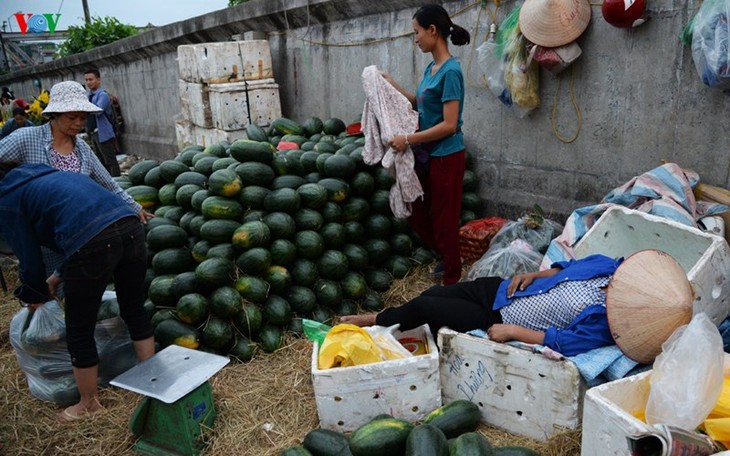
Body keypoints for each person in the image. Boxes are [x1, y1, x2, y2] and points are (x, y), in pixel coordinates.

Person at [0, 162, 155, 421]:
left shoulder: (7, 200)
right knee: (133, 307)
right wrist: (60, 273)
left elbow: (30, 259)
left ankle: (88, 404)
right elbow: (81, 227)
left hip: (96, 241)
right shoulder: (44, 175)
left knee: (78, 327)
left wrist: (33, 294)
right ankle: (152, 382)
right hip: (130, 226)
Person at [0, 80, 152, 280]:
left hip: (77, 234)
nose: (79, 123)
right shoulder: (26, 138)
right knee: (43, 283)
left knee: (71, 287)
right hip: (41, 234)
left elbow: (108, 184)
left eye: (83, 117)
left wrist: (134, 207)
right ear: (54, 115)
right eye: (72, 117)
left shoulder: (82, 149)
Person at [342, 254, 622, 356]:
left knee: (426, 307)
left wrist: (512, 332)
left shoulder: (610, 322)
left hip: (495, 316)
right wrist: (534, 274)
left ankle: (374, 320)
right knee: (433, 293)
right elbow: (564, 268)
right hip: (498, 289)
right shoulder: (606, 265)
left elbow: (565, 343)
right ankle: (410, 334)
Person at [383, 4, 470, 285]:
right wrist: (390, 84)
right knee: (416, 211)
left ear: (433, 31)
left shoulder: (451, 72)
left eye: (417, 32)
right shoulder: (431, 69)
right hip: (427, 154)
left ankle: (452, 278)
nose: (416, 38)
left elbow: (448, 124)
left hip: (447, 156)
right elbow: (418, 105)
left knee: (445, 220)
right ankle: (447, 256)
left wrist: (407, 139)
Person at [84, 68, 121, 176]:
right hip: (94, 133)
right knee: (101, 161)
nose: (88, 82)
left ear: (98, 80)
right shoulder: (89, 96)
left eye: (91, 79)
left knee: (110, 160)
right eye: (86, 80)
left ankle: (117, 181)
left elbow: (98, 111)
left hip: (103, 133)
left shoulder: (102, 95)